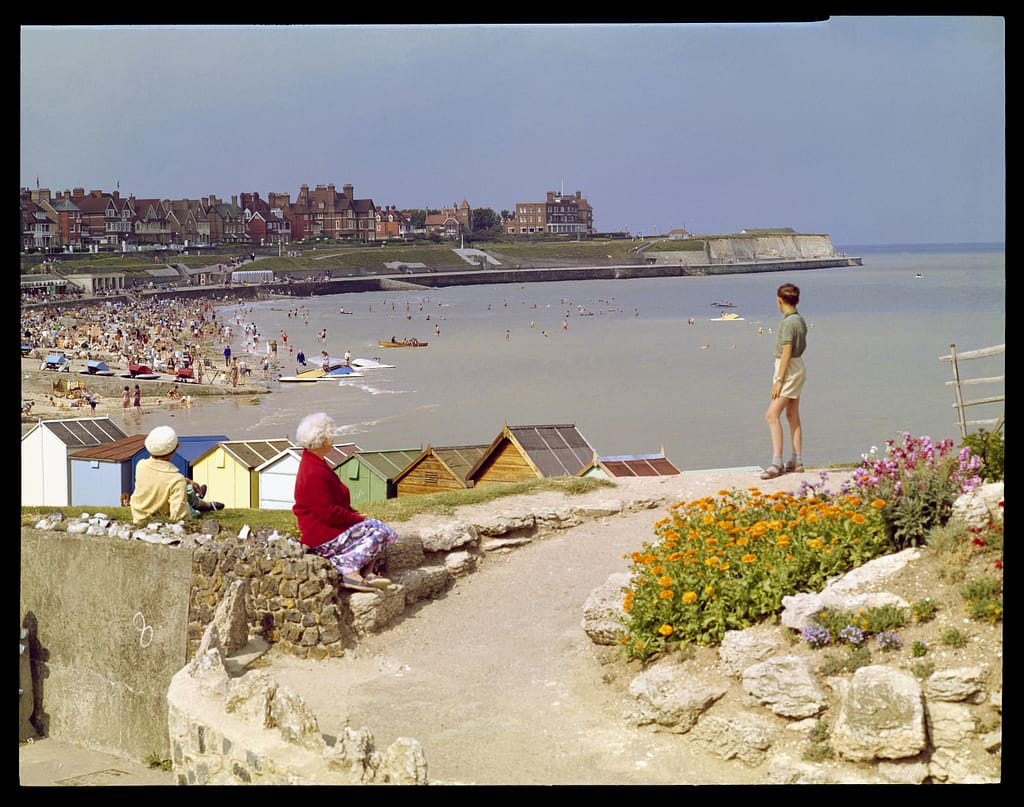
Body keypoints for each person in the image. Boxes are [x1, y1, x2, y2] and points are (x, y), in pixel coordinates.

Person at [292, 412, 398, 593]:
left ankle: (368, 571)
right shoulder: (314, 472)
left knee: (374, 526)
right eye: (329, 435)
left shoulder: (313, 462)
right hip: (321, 534)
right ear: (323, 440)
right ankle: (351, 572)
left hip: (322, 528)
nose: (332, 438)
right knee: (379, 530)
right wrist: (356, 518)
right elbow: (328, 513)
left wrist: (355, 517)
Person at [761, 282, 808, 480]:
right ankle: (797, 460)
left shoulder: (787, 323)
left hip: (787, 370)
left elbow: (787, 350)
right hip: (797, 368)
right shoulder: (799, 320)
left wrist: (779, 379)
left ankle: (776, 462)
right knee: (792, 414)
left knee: (772, 415)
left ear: (779, 301)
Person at [129, 425, 224, 524]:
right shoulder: (176, 480)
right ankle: (203, 504)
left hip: (139, 516)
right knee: (187, 502)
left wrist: (188, 481)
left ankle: (200, 501)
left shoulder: (141, 465)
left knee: (185, 488)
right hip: (157, 517)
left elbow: (160, 480)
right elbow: (178, 515)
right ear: (175, 448)